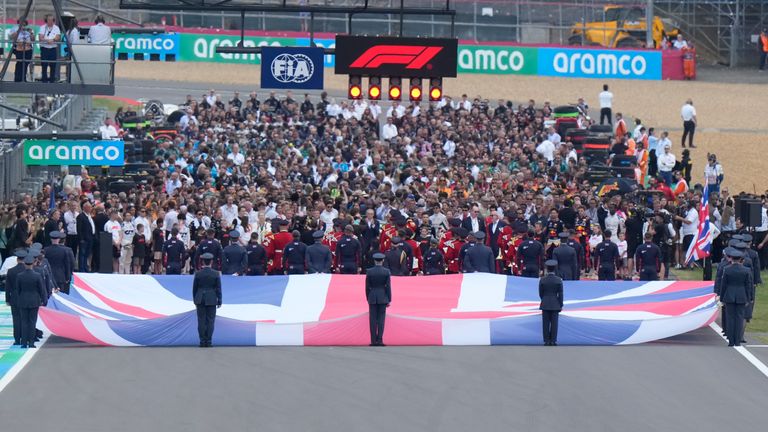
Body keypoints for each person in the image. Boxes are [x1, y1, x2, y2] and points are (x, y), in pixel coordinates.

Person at [719, 248, 753, 347]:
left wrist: (722, 298)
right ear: (740, 259)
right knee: (739, 318)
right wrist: (749, 298)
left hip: (729, 295)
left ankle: (731, 340)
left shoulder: (727, 269)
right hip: (742, 295)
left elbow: (723, 285)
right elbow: (748, 285)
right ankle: (737, 341)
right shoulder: (746, 270)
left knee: (730, 319)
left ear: (732, 258)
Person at [15, 254, 47, 348]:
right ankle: (31, 342)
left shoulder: (19, 276)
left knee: (24, 322)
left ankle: (24, 343)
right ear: (33, 264)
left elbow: (18, 289)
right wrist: (43, 299)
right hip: (34, 300)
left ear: (25, 264)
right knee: (32, 322)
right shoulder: (37, 275)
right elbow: (41, 289)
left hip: (23, 300)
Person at [193, 253, 222, 348]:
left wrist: (195, 299)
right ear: (211, 262)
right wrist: (220, 300)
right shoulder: (215, 273)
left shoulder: (198, 273)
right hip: (212, 298)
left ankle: (202, 341)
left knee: (201, 321)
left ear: (202, 262)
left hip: (200, 298)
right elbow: (218, 288)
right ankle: (208, 341)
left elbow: (195, 288)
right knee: (210, 321)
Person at [366, 252, 391, 346]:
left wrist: (368, 297)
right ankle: (380, 340)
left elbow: (367, 287)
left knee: (372, 319)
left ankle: (373, 340)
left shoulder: (369, 271)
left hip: (372, 295)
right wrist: (389, 298)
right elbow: (388, 287)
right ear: (383, 260)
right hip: (383, 296)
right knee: (381, 319)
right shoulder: (386, 271)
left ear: (374, 261)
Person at [5, 249, 27, 345]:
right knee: (25, 319)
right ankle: (25, 338)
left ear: (17, 259)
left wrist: (7, 299)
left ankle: (17, 339)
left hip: (14, 297)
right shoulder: (27, 270)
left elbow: (7, 287)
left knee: (16, 318)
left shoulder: (10, 271)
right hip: (25, 296)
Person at [539, 260, 563, 346]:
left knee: (545, 323)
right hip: (555, 303)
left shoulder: (542, 280)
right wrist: (560, 304)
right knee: (554, 323)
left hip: (545, 302)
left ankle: (546, 340)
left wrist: (544, 299)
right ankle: (553, 340)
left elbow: (540, 293)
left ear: (547, 269)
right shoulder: (558, 280)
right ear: (554, 269)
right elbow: (560, 294)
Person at [38, 15, 61, 83]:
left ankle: (52, 80)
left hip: (53, 49)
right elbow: (40, 38)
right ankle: (44, 80)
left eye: (51, 20)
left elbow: (58, 37)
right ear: (46, 20)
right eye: (48, 20)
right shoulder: (42, 27)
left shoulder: (56, 28)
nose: (50, 21)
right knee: (44, 65)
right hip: (44, 48)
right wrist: (47, 40)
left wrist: (52, 40)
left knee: (53, 65)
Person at [75, 203, 95, 272]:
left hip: (90, 238)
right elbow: (79, 229)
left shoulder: (89, 216)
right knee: (82, 254)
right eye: (89, 207)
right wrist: (81, 239)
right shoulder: (80, 216)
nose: (90, 209)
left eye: (91, 207)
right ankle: (82, 268)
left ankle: (85, 267)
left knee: (87, 254)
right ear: (84, 208)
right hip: (84, 239)